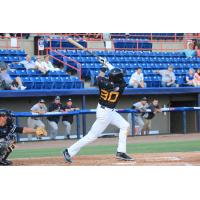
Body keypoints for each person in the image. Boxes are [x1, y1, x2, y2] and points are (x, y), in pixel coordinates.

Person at [63, 58, 133, 163]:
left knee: (125, 126)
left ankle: (121, 152)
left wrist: (104, 66)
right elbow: (116, 74)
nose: (123, 76)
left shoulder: (102, 81)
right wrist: (107, 63)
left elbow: (101, 75)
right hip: (105, 114)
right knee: (92, 136)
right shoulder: (121, 85)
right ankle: (69, 151)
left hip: (105, 110)